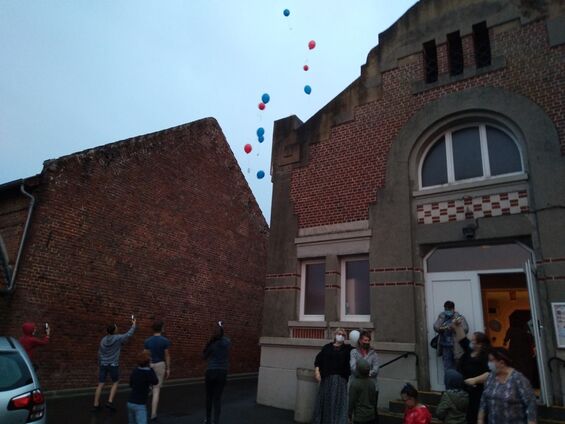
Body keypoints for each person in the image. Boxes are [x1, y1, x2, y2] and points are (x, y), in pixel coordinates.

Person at [478, 347, 537, 424]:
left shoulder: (518, 379)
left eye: (491, 360)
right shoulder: (490, 377)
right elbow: (483, 402)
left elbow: (531, 404)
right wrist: (480, 420)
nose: (489, 363)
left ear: (502, 363)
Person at [93, 317, 137, 412]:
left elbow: (99, 353)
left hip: (103, 364)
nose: (118, 328)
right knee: (115, 382)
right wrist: (134, 324)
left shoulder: (103, 340)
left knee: (100, 384)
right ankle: (110, 402)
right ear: (114, 330)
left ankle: (96, 404)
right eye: (116, 327)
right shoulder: (118, 338)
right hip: (113, 365)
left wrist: (99, 364)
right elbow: (129, 334)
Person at [452, 319, 490, 424]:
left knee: (477, 415)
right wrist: (457, 326)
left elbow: (490, 373)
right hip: (467, 390)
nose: (471, 342)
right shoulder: (470, 351)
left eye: (474, 341)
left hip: (479, 392)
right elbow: (463, 340)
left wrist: (475, 380)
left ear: (480, 344)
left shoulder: (486, 356)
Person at [313, 328, 353, 424]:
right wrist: (317, 372)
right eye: (339, 334)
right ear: (334, 335)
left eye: (343, 335)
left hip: (340, 380)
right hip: (327, 379)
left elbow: (358, 353)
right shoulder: (327, 347)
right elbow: (318, 360)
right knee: (326, 402)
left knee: (338, 403)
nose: (341, 336)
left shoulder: (348, 349)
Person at [203, 320, 231, 424]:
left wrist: (209, 342)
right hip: (222, 372)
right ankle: (216, 421)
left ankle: (208, 419)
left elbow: (204, 356)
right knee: (217, 398)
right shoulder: (227, 342)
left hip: (211, 371)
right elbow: (226, 343)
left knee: (209, 397)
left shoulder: (211, 343)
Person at [144, 320, 171, 421]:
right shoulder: (165, 341)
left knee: (148, 387)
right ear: (162, 328)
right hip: (160, 365)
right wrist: (168, 369)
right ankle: (153, 414)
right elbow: (167, 355)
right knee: (156, 390)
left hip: (150, 365)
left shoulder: (147, 341)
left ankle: (142, 409)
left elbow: (145, 355)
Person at [350, 331, 380, 416]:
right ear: (360, 340)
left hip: (372, 386)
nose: (366, 342)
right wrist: (367, 372)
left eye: (368, 340)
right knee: (358, 410)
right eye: (365, 340)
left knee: (373, 411)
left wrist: (364, 373)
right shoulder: (354, 352)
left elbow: (376, 369)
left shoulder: (373, 353)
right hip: (358, 386)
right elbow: (353, 367)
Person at [433, 301, 468, 371]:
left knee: (458, 367)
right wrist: (441, 328)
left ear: (453, 309)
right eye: (446, 309)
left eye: (449, 309)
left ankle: (458, 381)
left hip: (457, 346)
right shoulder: (442, 316)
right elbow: (436, 327)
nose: (447, 311)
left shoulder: (459, 318)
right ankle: (449, 381)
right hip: (445, 346)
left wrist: (455, 328)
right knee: (447, 367)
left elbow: (466, 329)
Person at [127, 351, 158, 424]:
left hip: (130, 403)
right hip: (139, 405)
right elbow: (155, 381)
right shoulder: (148, 372)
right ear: (148, 363)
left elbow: (131, 384)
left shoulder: (135, 371)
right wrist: (152, 369)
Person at [348, 358, 378, 424]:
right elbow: (373, 400)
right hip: (371, 416)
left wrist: (349, 414)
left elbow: (351, 401)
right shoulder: (372, 383)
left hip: (360, 417)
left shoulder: (355, 384)